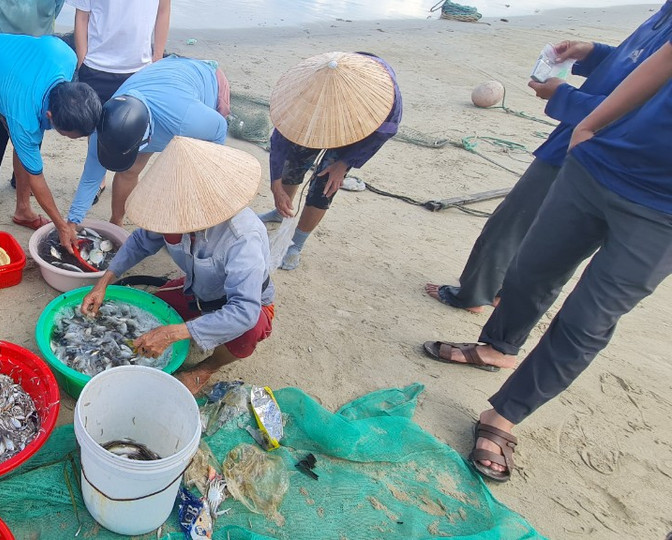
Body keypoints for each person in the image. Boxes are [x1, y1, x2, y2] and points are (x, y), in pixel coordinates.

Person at [422, 41, 672, 483]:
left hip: (663, 217)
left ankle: (503, 416)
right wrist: (589, 123)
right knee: (529, 272)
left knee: (588, 320)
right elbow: (661, 61)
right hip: (600, 165)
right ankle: (496, 348)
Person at [426, 2, 672, 312]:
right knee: (536, 227)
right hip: (587, 141)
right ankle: (498, 291)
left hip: (593, 147)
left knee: (515, 221)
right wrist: (591, 52)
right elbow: (635, 67)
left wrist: (563, 96)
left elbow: (634, 110)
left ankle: (475, 295)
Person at [80, 137, 275, 395]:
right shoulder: (169, 211)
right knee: (149, 311)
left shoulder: (243, 236)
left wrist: (172, 334)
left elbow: (244, 310)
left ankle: (206, 368)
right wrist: (103, 282)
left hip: (245, 304)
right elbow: (140, 240)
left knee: (249, 330)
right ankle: (189, 321)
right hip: (196, 289)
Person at [0, 33, 101, 252]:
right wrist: (62, 226)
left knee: (26, 150)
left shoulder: (68, 58)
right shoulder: (25, 118)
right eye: (69, 135)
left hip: (5, 76)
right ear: (50, 116)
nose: (73, 139)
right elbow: (36, 178)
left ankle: (23, 211)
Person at [259, 52, 401, 271]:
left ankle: (296, 244)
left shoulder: (383, 103)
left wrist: (344, 164)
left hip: (357, 125)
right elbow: (280, 141)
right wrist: (276, 185)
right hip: (312, 114)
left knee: (325, 184)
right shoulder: (300, 98)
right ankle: (280, 212)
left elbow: (382, 134)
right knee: (293, 163)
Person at [66, 56, 231, 227]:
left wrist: (209, 172)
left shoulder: (187, 120)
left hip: (209, 83)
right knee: (129, 171)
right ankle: (116, 223)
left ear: (148, 139)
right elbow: (90, 179)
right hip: (163, 79)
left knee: (189, 178)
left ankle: (190, 228)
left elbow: (219, 127)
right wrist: (73, 222)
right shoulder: (104, 124)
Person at [70, 0, 171, 105]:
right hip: (95, 67)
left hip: (140, 70)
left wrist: (157, 58)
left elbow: (163, 9)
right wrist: (83, 62)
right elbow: (82, 15)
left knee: (137, 120)